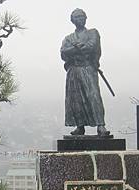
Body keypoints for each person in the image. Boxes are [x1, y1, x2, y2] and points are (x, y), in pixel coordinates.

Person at [60, 8, 109, 136]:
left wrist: (75, 49)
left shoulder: (93, 32)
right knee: (75, 99)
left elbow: (92, 46)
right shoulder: (68, 38)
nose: (80, 19)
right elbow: (63, 53)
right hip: (74, 70)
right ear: (72, 20)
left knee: (93, 96)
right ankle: (79, 126)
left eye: (82, 16)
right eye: (76, 17)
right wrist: (74, 49)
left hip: (88, 68)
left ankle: (100, 125)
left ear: (86, 18)